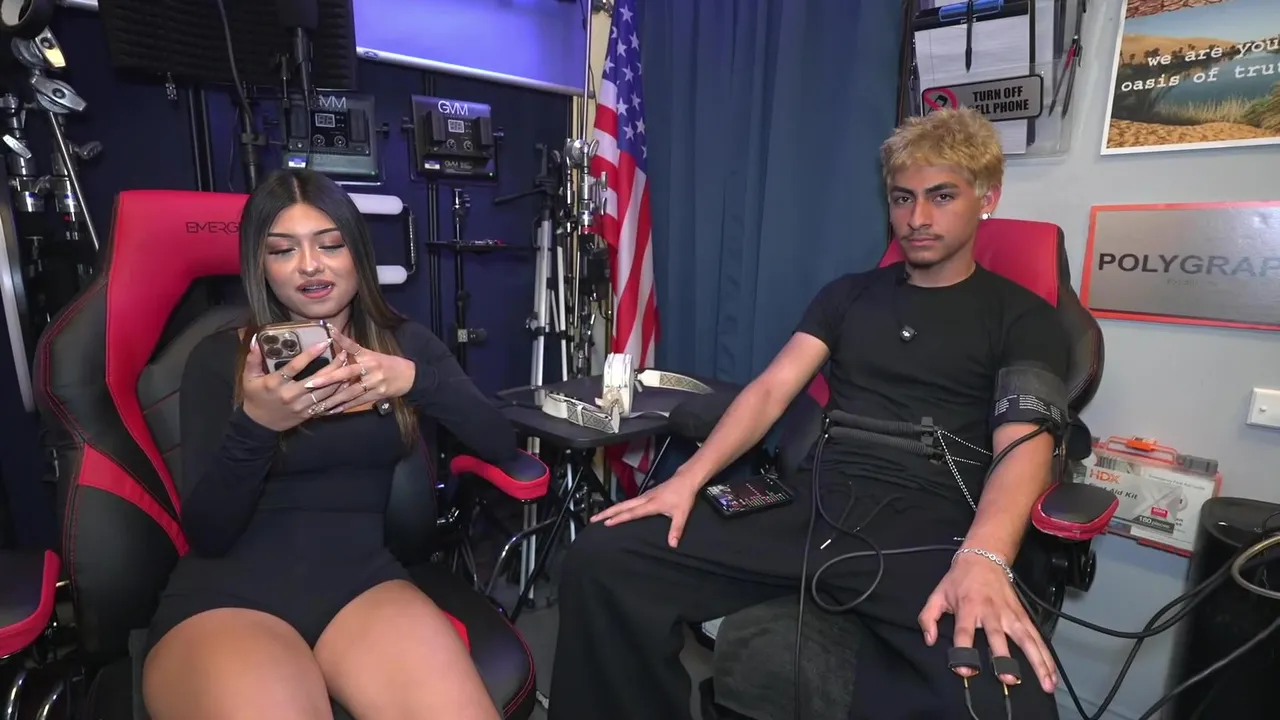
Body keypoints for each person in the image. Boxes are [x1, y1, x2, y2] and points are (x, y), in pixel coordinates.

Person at [549, 108, 1069, 720]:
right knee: (605, 558)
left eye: (942, 196)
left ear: (987, 199)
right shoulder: (847, 296)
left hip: (931, 526)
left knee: (1003, 700)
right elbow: (771, 390)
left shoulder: (1026, 318)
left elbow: (1024, 446)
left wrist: (985, 556)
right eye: (903, 198)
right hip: (815, 503)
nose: (918, 218)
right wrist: (686, 481)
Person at [142, 168, 513, 720]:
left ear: (358, 252)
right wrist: (257, 425)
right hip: (230, 597)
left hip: (362, 585)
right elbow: (209, 533)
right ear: (260, 267)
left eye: (330, 244)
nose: (310, 265)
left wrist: (415, 380)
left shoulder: (402, 344)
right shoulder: (220, 360)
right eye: (282, 250)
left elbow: (500, 442)